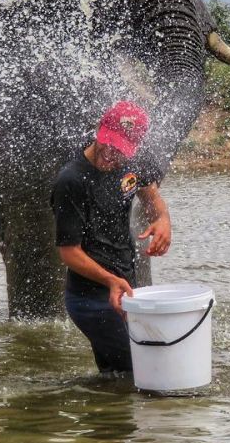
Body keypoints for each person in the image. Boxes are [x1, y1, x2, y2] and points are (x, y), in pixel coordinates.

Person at [50, 101, 172, 374]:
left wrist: (162, 220)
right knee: (143, 373)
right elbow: (68, 252)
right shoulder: (71, 180)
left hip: (125, 289)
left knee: (118, 379)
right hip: (91, 299)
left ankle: (100, 412)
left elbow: (150, 196)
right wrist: (109, 280)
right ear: (99, 129)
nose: (111, 154)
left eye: (120, 149)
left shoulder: (136, 162)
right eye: (108, 143)